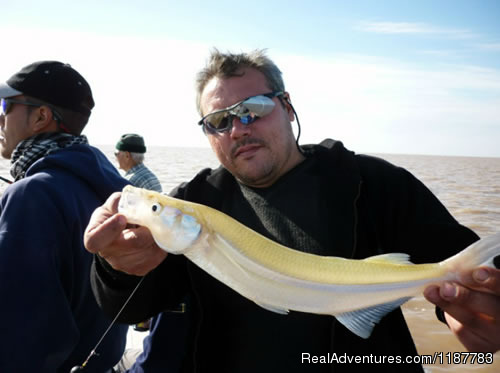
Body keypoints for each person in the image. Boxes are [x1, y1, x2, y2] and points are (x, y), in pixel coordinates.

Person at [84, 49, 500, 372]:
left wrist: (474, 310)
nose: (239, 128)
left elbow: (471, 276)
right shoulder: (194, 203)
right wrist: (118, 267)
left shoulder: (375, 184)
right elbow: (133, 307)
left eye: (254, 109)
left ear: (286, 106)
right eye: (219, 121)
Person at [0, 61, 129, 372]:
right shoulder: (110, 188)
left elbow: (20, 337)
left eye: (6, 104)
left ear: (41, 117)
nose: (1, 117)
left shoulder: (31, 196)